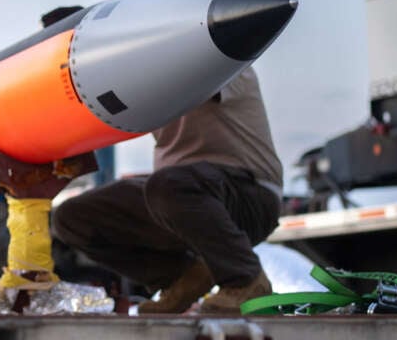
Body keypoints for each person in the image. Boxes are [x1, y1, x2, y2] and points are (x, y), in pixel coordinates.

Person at [52, 64, 282, 314]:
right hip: (179, 197)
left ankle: (245, 280)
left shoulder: (224, 59)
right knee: (71, 218)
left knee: (168, 186)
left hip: (247, 193)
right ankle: (181, 277)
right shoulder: (143, 75)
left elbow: (188, 70)